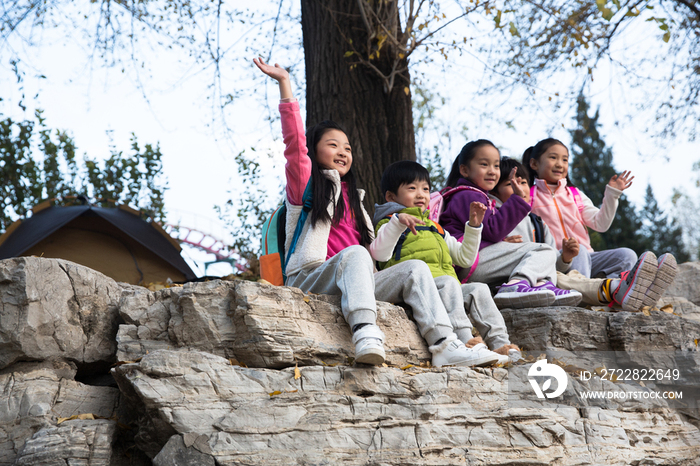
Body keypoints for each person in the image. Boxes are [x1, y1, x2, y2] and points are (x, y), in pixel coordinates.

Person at [254, 58, 498, 368]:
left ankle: (444, 345)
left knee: (414, 268)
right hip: (311, 276)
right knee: (355, 254)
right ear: (314, 153)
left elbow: (375, 253)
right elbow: (294, 144)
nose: (343, 152)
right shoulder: (306, 191)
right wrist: (284, 85)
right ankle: (366, 331)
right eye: (333, 145)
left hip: (357, 279)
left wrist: (396, 226)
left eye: (348, 148)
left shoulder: (357, 205)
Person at [371, 160, 518, 364]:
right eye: (412, 188)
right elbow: (379, 254)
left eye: (425, 189)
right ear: (391, 196)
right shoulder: (389, 223)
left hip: (447, 288)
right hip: (419, 289)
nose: (421, 194)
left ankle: (502, 345)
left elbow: (464, 258)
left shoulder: (435, 227)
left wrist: (474, 228)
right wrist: (397, 223)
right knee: (449, 283)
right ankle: (466, 341)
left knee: (479, 289)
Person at [521, 140, 677, 308]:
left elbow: (600, 223)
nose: (560, 164)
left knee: (627, 255)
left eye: (565, 159)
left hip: (587, 259)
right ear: (534, 163)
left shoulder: (574, 194)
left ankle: (622, 293)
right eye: (553, 157)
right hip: (555, 262)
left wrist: (612, 194)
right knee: (579, 250)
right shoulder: (528, 196)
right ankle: (582, 299)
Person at [439, 140, 582, 309]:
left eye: (496, 165)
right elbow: (492, 231)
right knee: (542, 249)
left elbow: (488, 233)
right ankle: (518, 284)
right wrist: (518, 201)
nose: (492, 171)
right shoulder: (467, 196)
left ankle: (542, 286)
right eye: (484, 164)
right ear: (464, 170)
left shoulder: (475, 195)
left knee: (541, 253)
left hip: (478, 261)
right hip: (470, 261)